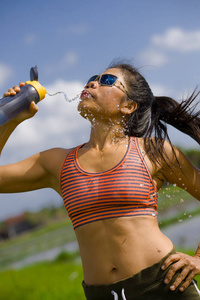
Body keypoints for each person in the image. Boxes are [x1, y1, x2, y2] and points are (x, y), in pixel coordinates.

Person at [1, 62, 200, 300]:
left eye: (106, 81)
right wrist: (11, 118)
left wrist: (198, 259)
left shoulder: (154, 151)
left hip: (164, 284)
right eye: (93, 77)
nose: (92, 82)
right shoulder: (55, 162)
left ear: (128, 106)